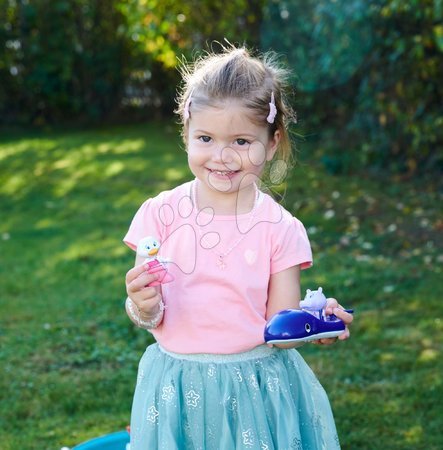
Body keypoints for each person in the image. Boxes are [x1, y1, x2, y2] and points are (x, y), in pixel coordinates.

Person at [123, 45, 353, 450]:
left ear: (273, 141)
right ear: (186, 133)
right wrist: (141, 304)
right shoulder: (159, 215)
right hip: (177, 384)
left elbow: (278, 327)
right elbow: (149, 313)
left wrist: (315, 323)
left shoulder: (280, 230)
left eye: (243, 141)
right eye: (206, 138)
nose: (222, 156)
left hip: (253, 388)